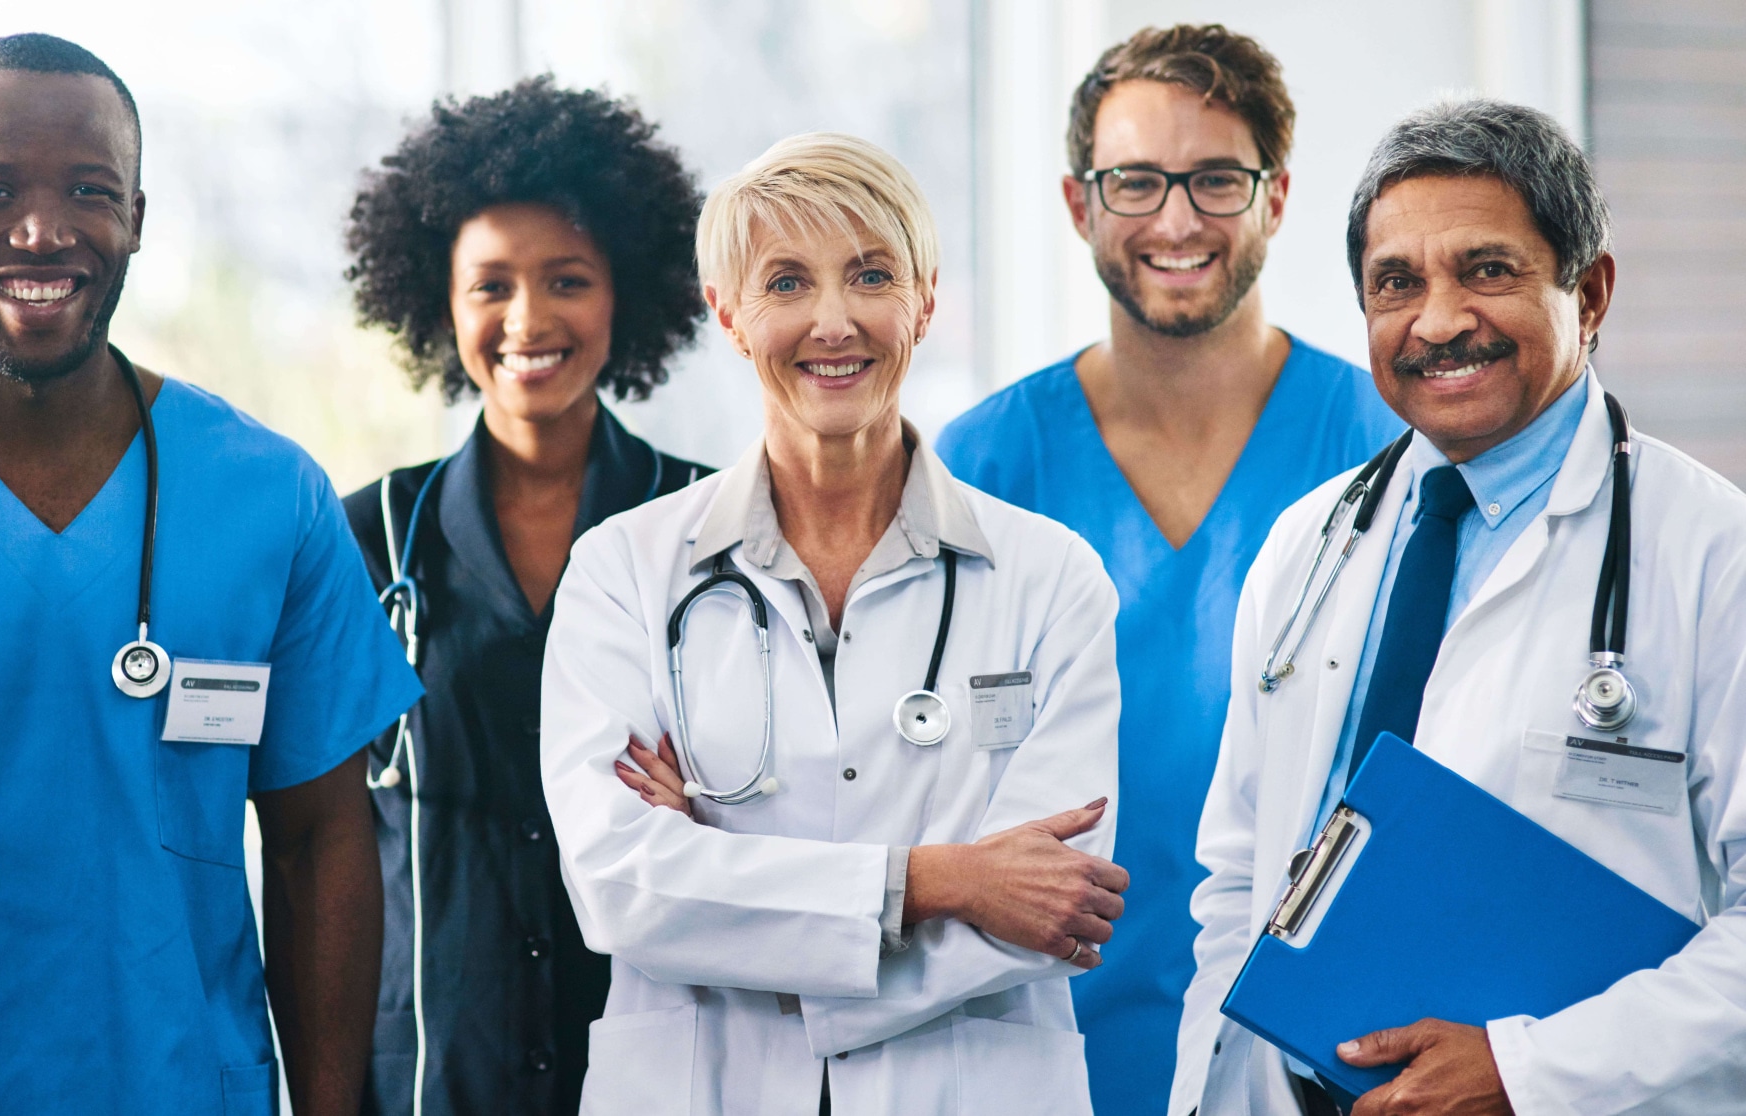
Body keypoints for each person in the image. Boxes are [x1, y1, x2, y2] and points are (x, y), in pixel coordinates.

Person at [0, 34, 419, 1116]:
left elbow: (318, 843)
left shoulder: (266, 496)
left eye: (89, 191)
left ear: (137, 216)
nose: (41, 231)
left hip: (182, 1086)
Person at [1173, 99, 1746, 1116]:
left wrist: (1523, 1075)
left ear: (1591, 290)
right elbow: (1234, 883)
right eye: (1397, 283)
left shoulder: (1712, 559)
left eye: (1488, 270)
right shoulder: (1309, 546)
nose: (1437, 321)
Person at [539, 133, 1131, 1114]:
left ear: (925, 300)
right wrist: (939, 880)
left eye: (870, 275)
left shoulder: (1050, 579)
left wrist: (732, 905)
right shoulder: (623, 573)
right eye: (784, 283)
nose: (833, 321)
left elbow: (1049, 904)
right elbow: (621, 884)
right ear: (727, 313)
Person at [934, 25, 1401, 1115]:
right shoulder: (983, 466)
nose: (1177, 220)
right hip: (1036, 1040)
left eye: (1217, 181)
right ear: (1078, 203)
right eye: (1136, 181)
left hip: (1317, 1044)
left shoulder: (1386, 451)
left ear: (1277, 199)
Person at [339, 79, 711, 1116]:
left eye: (568, 280)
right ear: (438, 301)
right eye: (490, 285)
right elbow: (320, 851)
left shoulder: (713, 531)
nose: (528, 320)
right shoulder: (366, 540)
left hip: (662, 1073)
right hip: (431, 1079)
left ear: (623, 294)